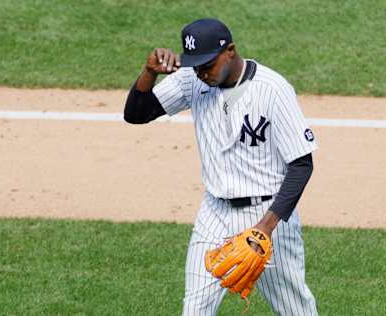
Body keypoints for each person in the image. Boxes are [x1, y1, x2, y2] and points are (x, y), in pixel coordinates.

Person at [124, 18, 319, 316]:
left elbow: (301, 165)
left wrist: (263, 230)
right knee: (195, 309)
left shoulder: (273, 89)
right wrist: (149, 72)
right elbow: (136, 114)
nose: (202, 73)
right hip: (213, 213)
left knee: (294, 309)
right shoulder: (192, 79)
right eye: (196, 66)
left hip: (268, 215)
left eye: (207, 65)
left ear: (230, 51)